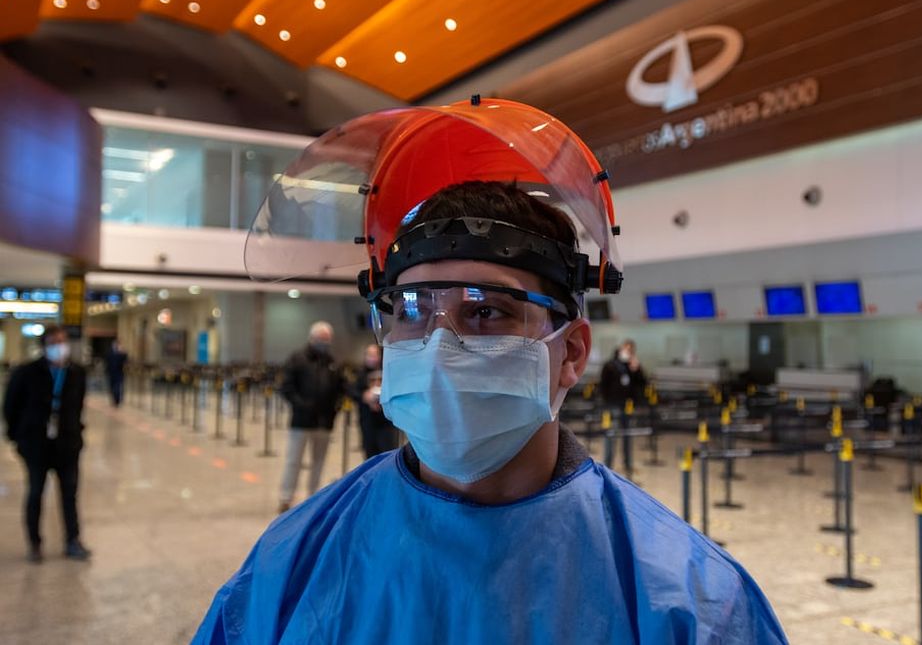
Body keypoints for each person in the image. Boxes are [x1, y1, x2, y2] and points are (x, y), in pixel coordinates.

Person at [194, 98, 787, 643]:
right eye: (411, 310)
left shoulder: (685, 601)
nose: (438, 344)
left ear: (572, 353)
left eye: (486, 311)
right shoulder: (293, 560)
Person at [3, 324, 91, 562]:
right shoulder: (27, 372)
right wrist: (17, 437)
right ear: (44, 346)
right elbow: (10, 407)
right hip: (36, 446)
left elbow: (78, 407)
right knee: (35, 493)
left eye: (62, 342)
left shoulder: (76, 373)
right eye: (54, 343)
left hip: (67, 445)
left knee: (69, 494)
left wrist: (77, 435)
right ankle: (35, 542)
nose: (59, 348)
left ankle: (72, 540)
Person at [276, 321, 345, 513]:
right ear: (312, 338)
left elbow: (341, 388)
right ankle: (286, 497)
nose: (324, 343)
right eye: (321, 340)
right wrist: (303, 406)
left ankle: (313, 496)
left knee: (319, 461)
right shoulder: (297, 359)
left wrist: (335, 408)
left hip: (324, 422)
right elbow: (286, 388)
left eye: (327, 340)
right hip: (301, 421)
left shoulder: (332, 362)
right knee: (294, 460)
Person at [599, 338, 648, 475]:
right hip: (612, 406)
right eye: (626, 349)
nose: (628, 352)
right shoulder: (610, 365)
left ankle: (628, 463)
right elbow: (603, 385)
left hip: (628, 406)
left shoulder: (631, 366)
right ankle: (607, 465)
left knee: (628, 437)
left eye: (631, 350)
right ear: (620, 349)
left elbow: (642, 383)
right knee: (611, 436)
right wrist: (606, 402)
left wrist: (637, 369)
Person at [352, 344, 398, 459]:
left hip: (386, 422)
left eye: (374, 354)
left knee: (388, 453)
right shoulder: (359, 373)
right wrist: (364, 396)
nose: (371, 358)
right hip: (367, 420)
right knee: (370, 454)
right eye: (369, 355)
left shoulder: (388, 372)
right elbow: (352, 390)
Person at [105, 339, 128, 407]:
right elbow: (107, 361)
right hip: (111, 373)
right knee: (112, 387)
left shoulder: (121, 353)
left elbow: (126, 358)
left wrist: (121, 351)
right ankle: (114, 399)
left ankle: (117, 400)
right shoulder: (109, 352)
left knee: (118, 387)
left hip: (119, 373)